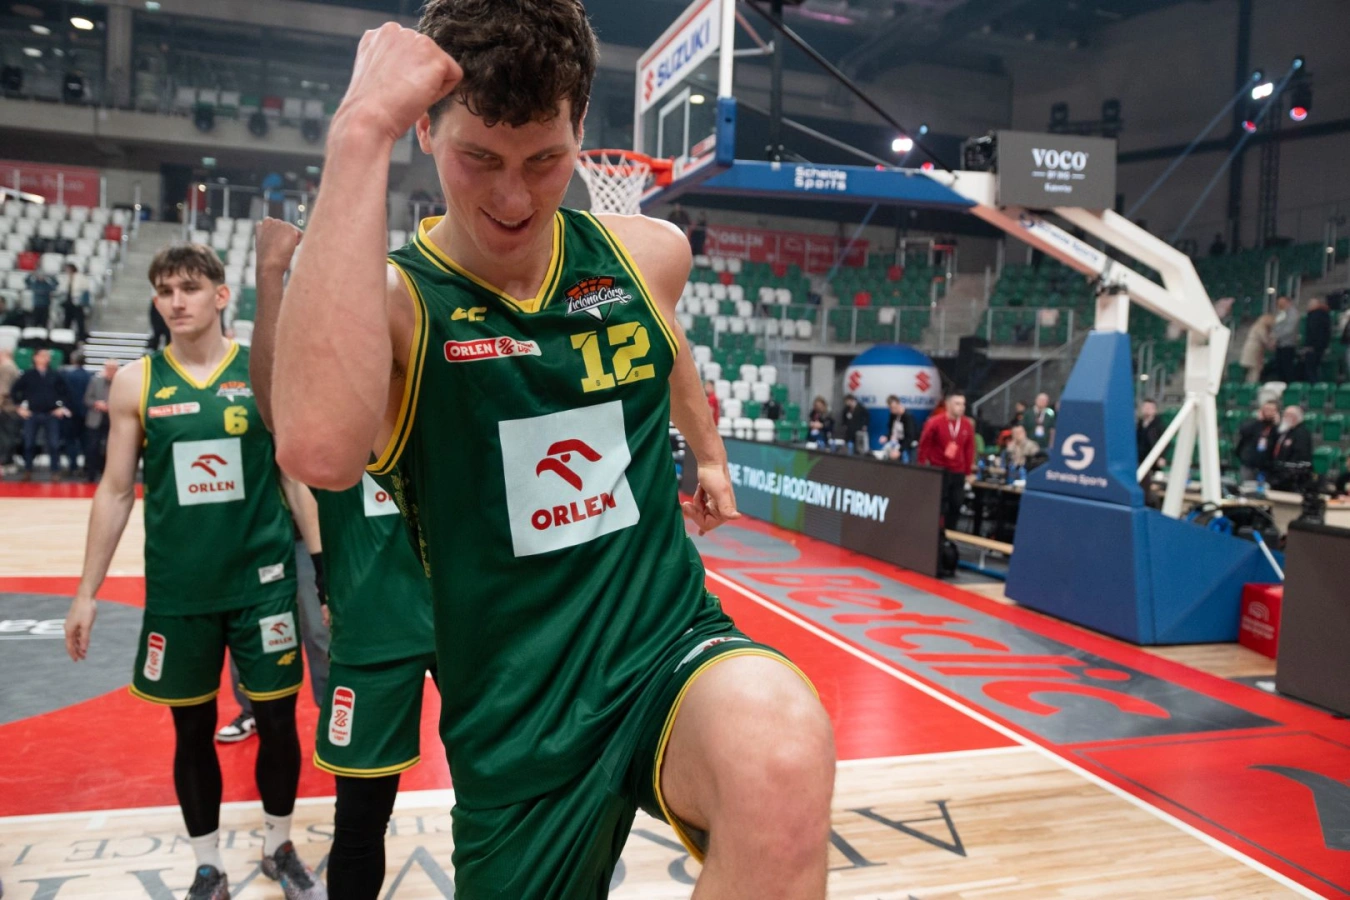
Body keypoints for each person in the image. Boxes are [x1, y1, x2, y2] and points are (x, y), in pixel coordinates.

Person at [271, 8, 833, 900]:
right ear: (425, 132)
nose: (514, 199)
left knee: (781, 751)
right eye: (480, 158)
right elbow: (315, 449)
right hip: (517, 715)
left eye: (544, 160)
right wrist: (358, 129)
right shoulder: (399, 307)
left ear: (580, 131)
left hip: (660, 645)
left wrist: (710, 454)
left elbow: (669, 349)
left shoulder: (647, 257)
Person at [62, 243, 326, 900]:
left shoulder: (259, 372)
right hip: (180, 592)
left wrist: (325, 573)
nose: (175, 302)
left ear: (220, 295)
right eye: (164, 291)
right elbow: (115, 491)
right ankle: (208, 866)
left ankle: (278, 845)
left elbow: (295, 478)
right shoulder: (137, 383)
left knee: (276, 723)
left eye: (189, 288)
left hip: (263, 586)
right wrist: (86, 592)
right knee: (191, 730)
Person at [251, 217, 438, 900]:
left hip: (467, 624)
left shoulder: (442, 389)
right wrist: (271, 276)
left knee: (500, 802)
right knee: (359, 823)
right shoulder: (335, 413)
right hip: (372, 630)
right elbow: (275, 407)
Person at [10, 348, 73, 480]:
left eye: (47, 356)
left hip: (51, 414)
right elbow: (15, 391)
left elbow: (66, 393)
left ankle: (55, 471)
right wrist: (19, 408)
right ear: (36, 357)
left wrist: (60, 407)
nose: (46, 358)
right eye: (43, 355)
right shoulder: (28, 375)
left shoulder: (55, 374)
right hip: (32, 414)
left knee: (54, 444)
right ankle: (28, 470)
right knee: (29, 443)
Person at [918, 391, 976, 530]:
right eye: (957, 404)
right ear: (948, 404)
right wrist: (922, 466)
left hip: (958, 471)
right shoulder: (935, 422)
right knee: (939, 505)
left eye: (963, 404)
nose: (961, 407)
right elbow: (924, 445)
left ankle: (950, 533)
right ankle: (934, 532)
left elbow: (969, 449)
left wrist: (968, 472)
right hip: (939, 469)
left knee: (956, 503)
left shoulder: (966, 424)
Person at [82, 358, 118, 482]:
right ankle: (90, 474)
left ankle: (108, 475)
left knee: (111, 448)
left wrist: (112, 405)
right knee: (92, 447)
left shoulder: (121, 383)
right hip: (95, 419)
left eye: (113, 369)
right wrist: (97, 404)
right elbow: (87, 399)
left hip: (113, 420)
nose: (111, 371)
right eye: (109, 368)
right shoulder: (95, 381)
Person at [59, 349, 92, 477]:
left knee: (70, 441)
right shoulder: (90, 376)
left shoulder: (67, 375)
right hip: (85, 413)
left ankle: (73, 466)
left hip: (70, 413)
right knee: (85, 442)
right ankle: (86, 467)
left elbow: (63, 393)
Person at [1236, 401, 1279, 483]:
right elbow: (1243, 431)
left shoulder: (1277, 428)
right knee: (1247, 486)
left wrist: (1276, 425)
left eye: (1271, 410)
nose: (1268, 412)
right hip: (1249, 464)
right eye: (1266, 409)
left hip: (1267, 466)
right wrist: (1258, 421)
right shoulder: (1253, 424)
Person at [59, 262, 92, 339]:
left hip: (77, 302)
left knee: (79, 320)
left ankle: (81, 336)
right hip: (68, 301)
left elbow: (85, 288)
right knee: (67, 320)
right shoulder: (66, 277)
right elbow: (62, 288)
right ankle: (66, 336)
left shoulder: (80, 277)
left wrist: (82, 300)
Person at [1241, 314, 1275, 384]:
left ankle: (1249, 384)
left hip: (1251, 348)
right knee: (1255, 370)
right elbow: (1265, 340)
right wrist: (1272, 346)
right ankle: (1252, 385)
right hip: (1254, 350)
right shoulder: (1261, 327)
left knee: (1251, 371)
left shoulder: (1256, 326)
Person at [1273, 296, 1300, 384]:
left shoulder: (1293, 313)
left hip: (1288, 344)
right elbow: (1276, 325)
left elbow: (1289, 329)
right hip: (1280, 344)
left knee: (1287, 368)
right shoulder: (1281, 313)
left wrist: (1277, 336)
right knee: (1280, 368)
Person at [1304, 297, 1331, 382]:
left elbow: (1313, 332)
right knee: (1315, 368)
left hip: (1313, 347)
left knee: (1311, 369)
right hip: (1321, 346)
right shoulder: (1325, 315)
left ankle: (1314, 386)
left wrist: (1309, 345)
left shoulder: (1314, 316)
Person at [883, 395, 917, 461]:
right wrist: (887, 437)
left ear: (899, 404)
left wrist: (899, 450)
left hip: (909, 446)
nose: (892, 410)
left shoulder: (908, 417)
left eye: (894, 408)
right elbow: (891, 430)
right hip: (897, 444)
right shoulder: (893, 416)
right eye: (890, 408)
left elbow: (910, 437)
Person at [1136, 399, 1163, 465]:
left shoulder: (1159, 426)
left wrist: (1161, 457)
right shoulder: (1138, 424)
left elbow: (1165, 443)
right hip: (1138, 459)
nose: (1147, 409)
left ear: (1155, 410)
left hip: (1152, 460)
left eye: (1150, 408)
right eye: (1145, 407)